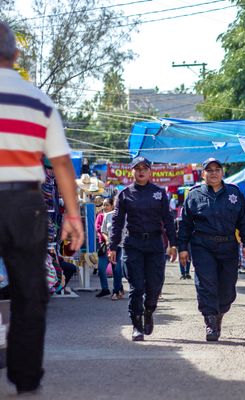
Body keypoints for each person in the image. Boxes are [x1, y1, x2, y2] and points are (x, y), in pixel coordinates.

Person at [0, 21, 84, 395]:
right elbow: (62, 164)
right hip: (24, 204)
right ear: (16, 55)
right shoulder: (38, 100)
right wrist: (72, 217)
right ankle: (26, 376)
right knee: (28, 291)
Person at [178, 158, 245, 342]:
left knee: (227, 287)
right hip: (202, 246)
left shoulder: (234, 193)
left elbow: (244, 222)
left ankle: (219, 313)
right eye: (209, 170)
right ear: (203, 173)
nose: (213, 173)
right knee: (206, 284)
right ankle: (210, 320)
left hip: (228, 245)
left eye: (217, 169)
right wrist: (182, 249)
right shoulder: (194, 195)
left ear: (222, 172)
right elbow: (185, 225)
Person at [109, 156, 177, 342]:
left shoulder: (159, 193)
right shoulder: (124, 194)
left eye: (144, 168)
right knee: (136, 286)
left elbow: (168, 219)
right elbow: (117, 222)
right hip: (133, 244)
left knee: (155, 285)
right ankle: (136, 325)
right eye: (137, 168)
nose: (141, 171)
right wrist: (112, 246)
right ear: (131, 171)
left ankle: (149, 310)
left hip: (155, 244)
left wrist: (173, 244)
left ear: (150, 171)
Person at [101, 196, 124, 300]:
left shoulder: (127, 216)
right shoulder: (107, 216)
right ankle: (118, 289)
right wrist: (106, 240)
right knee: (114, 270)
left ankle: (116, 291)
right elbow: (103, 230)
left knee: (118, 268)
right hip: (110, 246)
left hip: (123, 246)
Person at [96, 197, 114, 298]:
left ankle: (118, 289)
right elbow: (98, 228)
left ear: (112, 206)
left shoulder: (116, 216)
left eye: (107, 205)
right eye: (104, 205)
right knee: (101, 268)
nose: (105, 207)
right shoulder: (100, 216)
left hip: (115, 246)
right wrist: (106, 238)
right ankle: (105, 289)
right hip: (104, 246)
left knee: (118, 270)